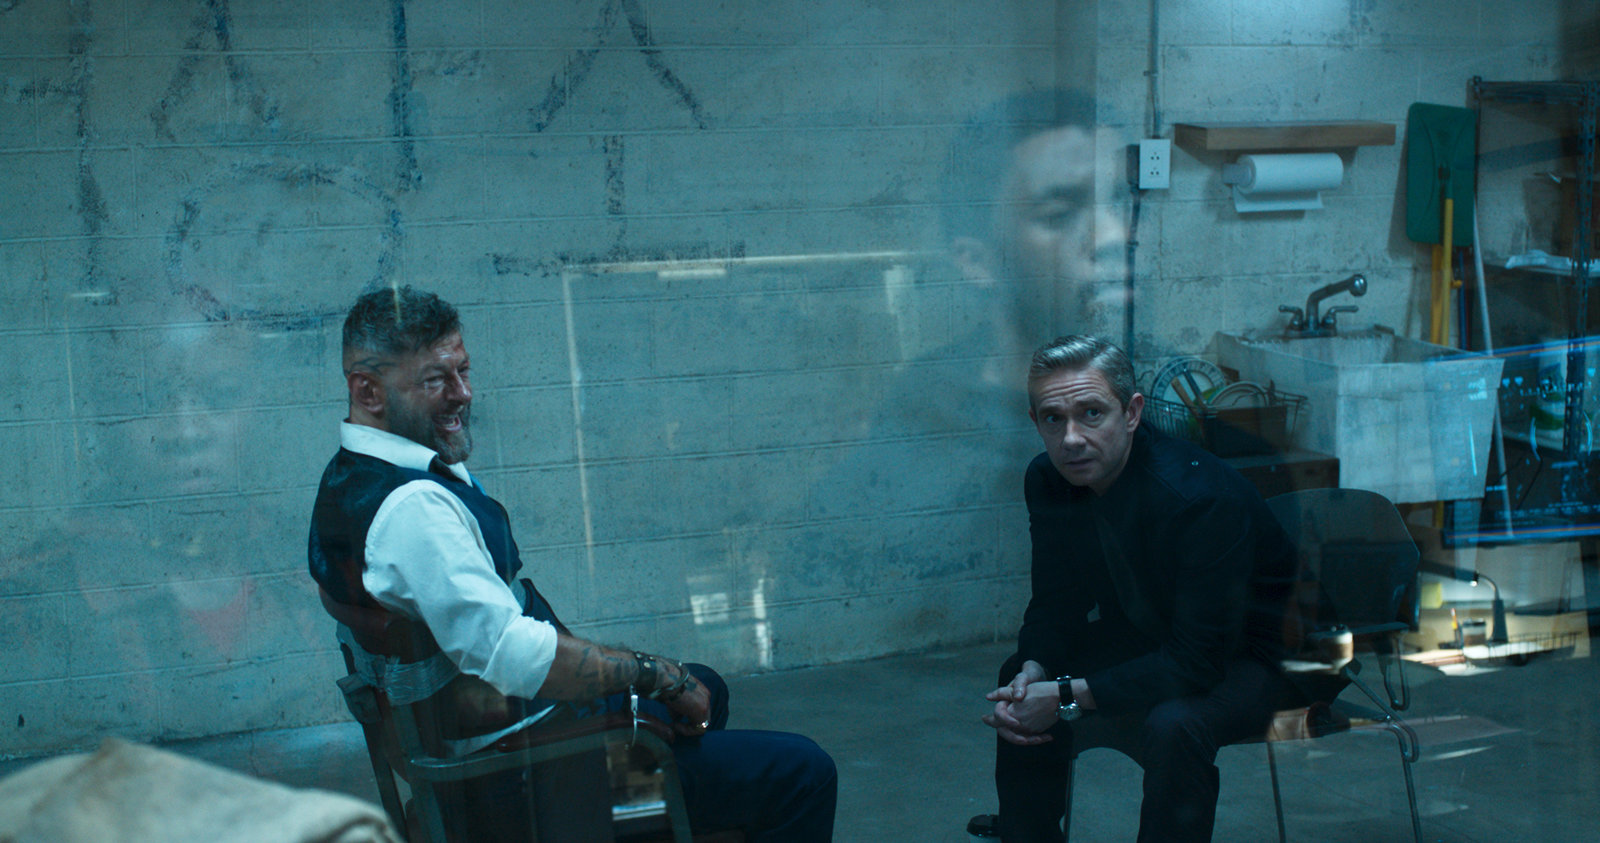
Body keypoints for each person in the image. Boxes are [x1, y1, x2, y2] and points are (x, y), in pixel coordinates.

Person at [309, 285, 836, 842]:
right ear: (367, 391)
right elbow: (511, 652)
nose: (463, 394)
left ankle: (654, 816)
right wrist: (654, 673)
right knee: (802, 772)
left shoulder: (354, 476)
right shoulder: (413, 508)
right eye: (435, 380)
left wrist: (667, 681)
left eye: (463, 371)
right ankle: (632, 814)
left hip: (508, 743)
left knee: (707, 689)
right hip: (529, 784)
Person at [976, 335, 1301, 843]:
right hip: (1158, 633)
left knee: (1175, 725)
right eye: (1053, 418)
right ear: (1035, 421)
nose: (1071, 439)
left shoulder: (1197, 498)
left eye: (1091, 413)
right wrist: (1034, 671)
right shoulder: (1049, 478)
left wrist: (1066, 695)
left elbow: (1198, 661)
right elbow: (1057, 601)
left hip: (1265, 658)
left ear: (1131, 413)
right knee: (1019, 675)